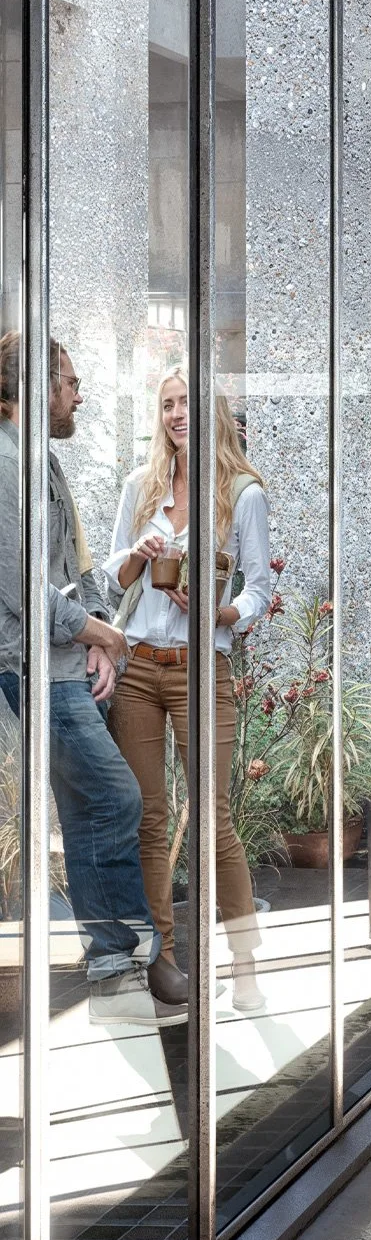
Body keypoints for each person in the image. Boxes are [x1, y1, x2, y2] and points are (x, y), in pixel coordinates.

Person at [0, 332, 157, 1027]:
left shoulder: (41, 462)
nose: (79, 395)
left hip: (63, 662)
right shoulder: (7, 467)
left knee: (90, 803)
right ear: (32, 388)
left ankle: (114, 969)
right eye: (69, 381)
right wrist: (100, 633)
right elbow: (21, 589)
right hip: (31, 667)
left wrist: (94, 629)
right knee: (114, 797)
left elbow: (71, 571)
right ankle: (116, 958)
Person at [106, 372, 274, 1010]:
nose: (179, 413)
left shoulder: (242, 493)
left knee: (213, 818)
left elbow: (257, 588)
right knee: (150, 820)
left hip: (204, 667)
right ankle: (164, 961)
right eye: (169, 404)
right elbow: (113, 578)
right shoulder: (139, 486)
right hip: (140, 670)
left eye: (189, 402)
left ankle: (246, 966)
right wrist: (141, 555)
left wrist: (218, 614)